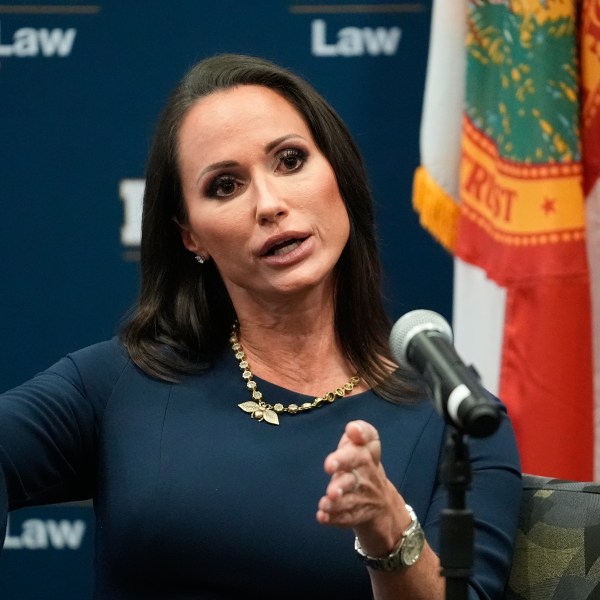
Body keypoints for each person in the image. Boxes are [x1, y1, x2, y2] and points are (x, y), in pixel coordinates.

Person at [0, 54, 521, 599]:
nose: (270, 204)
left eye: (290, 160)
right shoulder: (116, 384)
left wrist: (391, 531)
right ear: (190, 236)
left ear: (338, 173)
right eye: (225, 186)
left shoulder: (456, 424)